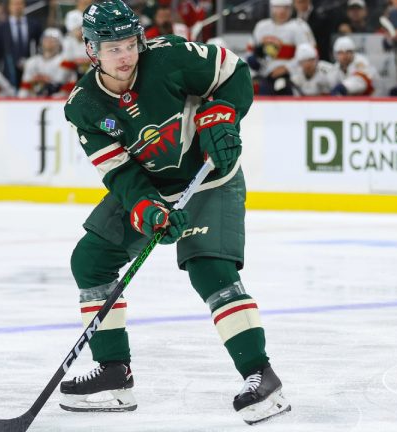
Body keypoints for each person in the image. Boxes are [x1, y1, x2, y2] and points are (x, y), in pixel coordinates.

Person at [60, 0, 291, 425]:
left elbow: (234, 72)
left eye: (129, 43)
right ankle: (114, 373)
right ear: (92, 51)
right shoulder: (84, 106)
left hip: (209, 176)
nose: (125, 55)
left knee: (209, 268)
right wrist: (147, 208)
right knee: (90, 261)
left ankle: (262, 376)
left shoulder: (169, 57)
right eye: (112, 48)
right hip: (151, 183)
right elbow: (120, 172)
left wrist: (223, 114)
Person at [251, 0, 315, 95]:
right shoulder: (261, 26)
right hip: (264, 74)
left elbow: (309, 55)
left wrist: (286, 68)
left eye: (286, 7)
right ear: (271, 8)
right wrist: (254, 59)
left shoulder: (299, 27)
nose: (282, 11)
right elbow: (251, 52)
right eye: (277, 7)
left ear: (291, 9)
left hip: (292, 76)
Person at [0, 0, 43, 89]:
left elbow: (40, 46)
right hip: (9, 71)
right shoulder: (1, 27)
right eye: (14, 4)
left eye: (20, 3)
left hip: (30, 71)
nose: (17, 7)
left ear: (24, 6)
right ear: (9, 7)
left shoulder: (34, 25)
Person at [17, 27, 75, 97]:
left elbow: (62, 86)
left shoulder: (65, 61)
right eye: (46, 39)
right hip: (33, 101)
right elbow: (24, 88)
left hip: (57, 101)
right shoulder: (32, 62)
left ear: (59, 43)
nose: (49, 41)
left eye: (53, 40)